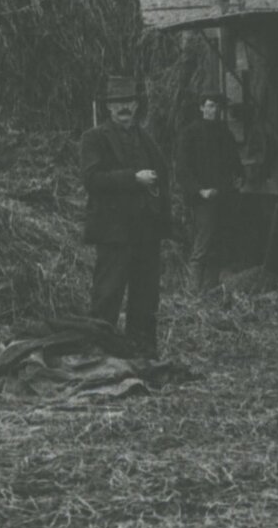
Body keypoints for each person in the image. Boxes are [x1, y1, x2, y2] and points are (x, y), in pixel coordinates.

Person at [79, 75, 171, 357]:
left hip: (146, 232)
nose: (124, 108)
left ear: (136, 105)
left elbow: (163, 177)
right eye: (117, 102)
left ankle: (141, 352)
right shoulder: (94, 138)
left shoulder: (146, 139)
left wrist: (164, 220)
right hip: (114, 232)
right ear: (108, 107)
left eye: (128, 102)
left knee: (145, 297)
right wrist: (134, 179)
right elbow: (93, 179)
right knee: (107, 295)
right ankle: (98, 352)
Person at [175, 91, 240, 296]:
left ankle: (209, 291)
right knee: (203, 242)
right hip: (203, 198)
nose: (214, 110)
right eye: (210, 106)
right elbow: (183, 168)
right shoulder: (190, 133)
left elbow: (234, 160)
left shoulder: (224, 132)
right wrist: (199, 191)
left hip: (223, 195)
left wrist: (239, 175)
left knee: (218, 243)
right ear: (201, 108)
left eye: (217, 107)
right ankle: (192, 293)